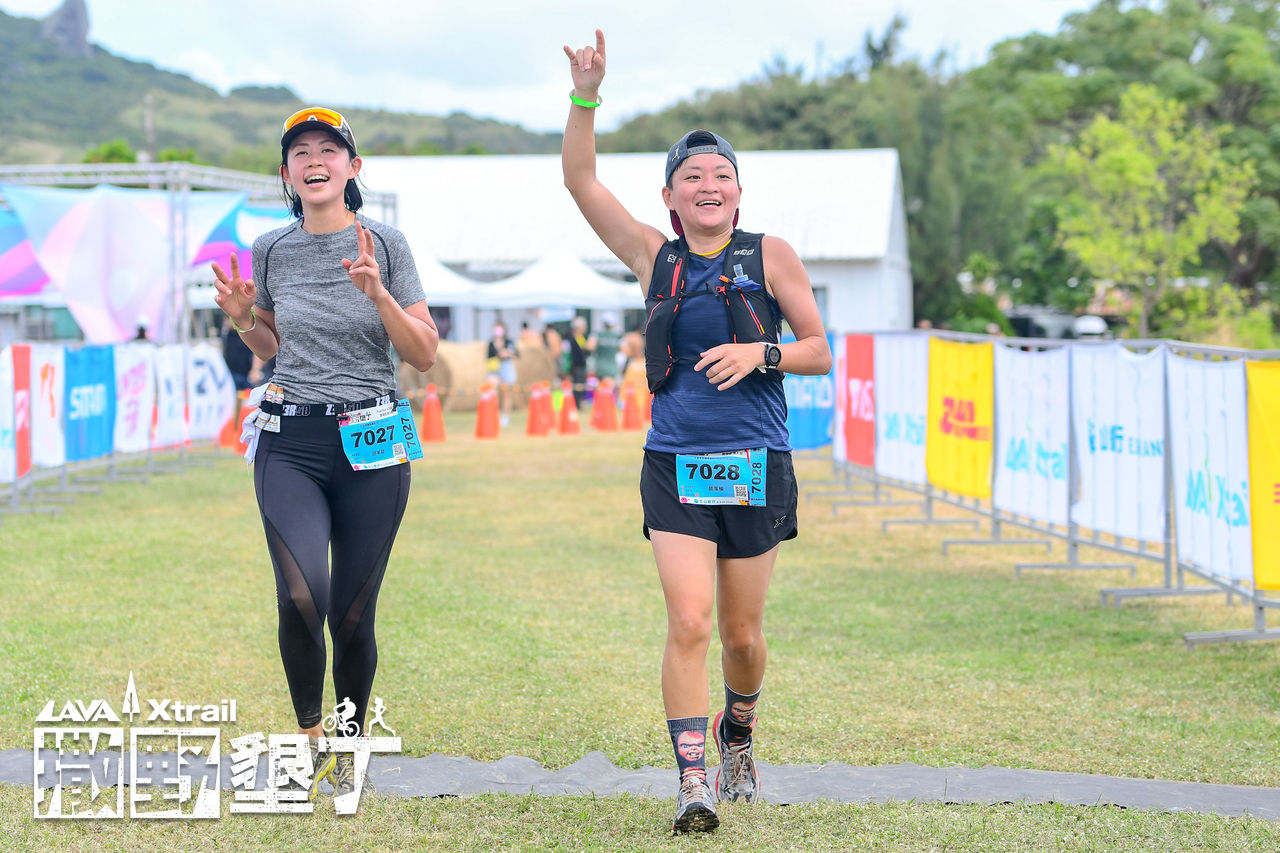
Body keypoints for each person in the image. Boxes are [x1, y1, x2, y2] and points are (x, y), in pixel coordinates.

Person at [562, 31, 831, 835]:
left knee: (743, 634)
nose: (707, 185)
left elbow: (819, 351)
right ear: (671, 198)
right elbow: (580, 180)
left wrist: (760, 351)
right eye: (691, 176)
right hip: (674, 464)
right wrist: (586, 95)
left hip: (758, 464)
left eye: (721, 174)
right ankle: (692, 781)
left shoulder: (770, 254)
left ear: (737, 195)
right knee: (688, 621)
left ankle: (738, 733)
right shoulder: (654, 256)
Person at [210, 106, 438, 804]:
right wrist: (247, 318)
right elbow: (275, 347)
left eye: (329, 149)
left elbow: (423, 354)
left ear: (352, 168)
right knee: (302, 591)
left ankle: (348, 739)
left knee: (352, 615)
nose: (315, 160)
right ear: (286, 173)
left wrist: (377, 294)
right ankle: (310, 733)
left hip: (373, 438)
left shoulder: (388, 244)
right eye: (300, 151)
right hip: (292, 439)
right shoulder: (271, 248)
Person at [486, 322, 517, 427]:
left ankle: (505, 417)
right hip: (494, 370)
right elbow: (488, 357)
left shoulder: (509, 342)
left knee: (506, 394)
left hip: (506, 368)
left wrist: (507, 353)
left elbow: (516, 354)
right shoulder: (491, 343)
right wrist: (499, 353)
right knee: (492, 393)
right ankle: (492, 415)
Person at [566, 315, 593, 409]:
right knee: (577, 385)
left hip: (581, 365)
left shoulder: (580, 338)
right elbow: (581, 352)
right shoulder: (574, 338)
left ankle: (578, 404)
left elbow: (585, 351)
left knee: (581, 385)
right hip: (577, 366)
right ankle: (576, 404)